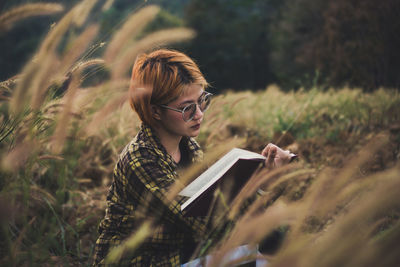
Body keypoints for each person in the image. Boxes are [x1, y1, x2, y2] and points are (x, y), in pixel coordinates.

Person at [93, 49, 293, 266]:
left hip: (182, 251)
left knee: (270, 238)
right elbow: (205, 225)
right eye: (187, 108)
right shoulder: (140, 160)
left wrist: (266, 178)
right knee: (262, 242)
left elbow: (221, 211)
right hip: (145, 260)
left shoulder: (190, 148)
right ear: (155, 112)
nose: (198, 114)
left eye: (202, 101)